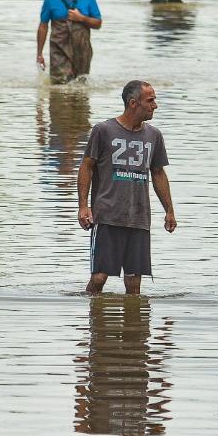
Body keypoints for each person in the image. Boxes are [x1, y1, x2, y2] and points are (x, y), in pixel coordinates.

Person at [78, 80, 176, 295]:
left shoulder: (154, 136)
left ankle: (135, 327)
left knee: (134, 284)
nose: (155, 105)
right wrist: (83, 206)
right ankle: (95, 321)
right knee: (99, 277)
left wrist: (169, 210)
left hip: (138, 218)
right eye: (150, 101)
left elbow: (158, 173)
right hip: (107, 216)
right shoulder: (103, 131)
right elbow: (86, 166)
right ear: (133, 103)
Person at [37, 0, 102, 84]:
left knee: (81, 84)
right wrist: (39, 54)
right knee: (60, 84)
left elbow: (98, 23)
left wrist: (82, 18)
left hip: (82, 50)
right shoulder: (50, 0)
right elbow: (43, 26)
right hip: (58, 50)